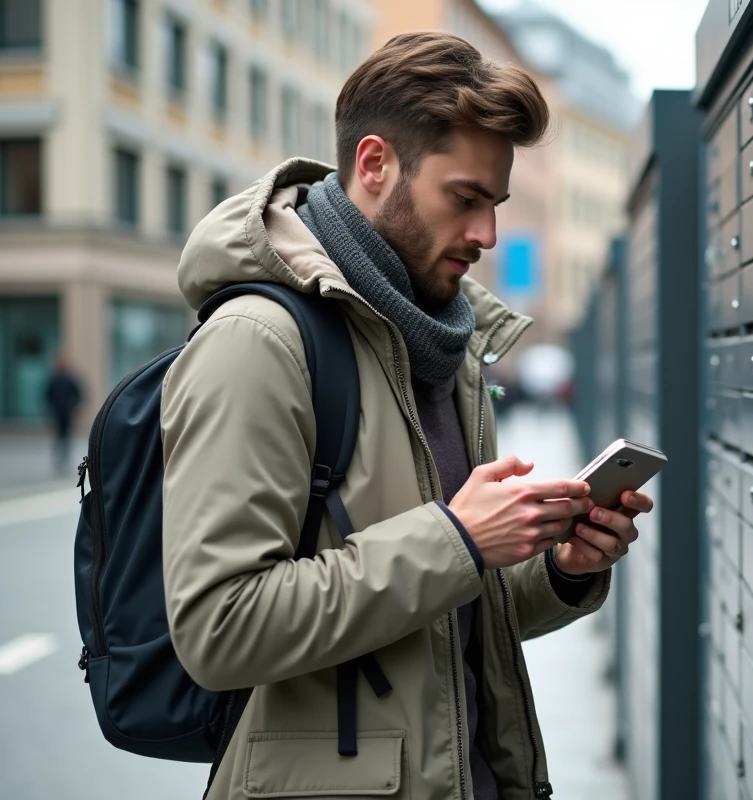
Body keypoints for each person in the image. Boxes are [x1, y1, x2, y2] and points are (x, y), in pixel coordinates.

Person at [160, 32, 653, 800]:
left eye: (496, 204)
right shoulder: (256, 342)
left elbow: (444, 622)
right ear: (374, 164)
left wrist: (558, 569)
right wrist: (457, 538)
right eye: (465, 198)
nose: (487, 235)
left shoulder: (444, 347)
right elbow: (219, 627)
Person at [44, 354, 82, 475]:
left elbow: (79, 395)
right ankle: (58, 461)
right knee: (58, 438)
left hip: (67, 413)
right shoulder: (54, 379)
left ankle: (64, 460)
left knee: (66, 438)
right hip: (57, 413)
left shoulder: (70, 379)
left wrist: (74, 406)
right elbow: (47, 395)